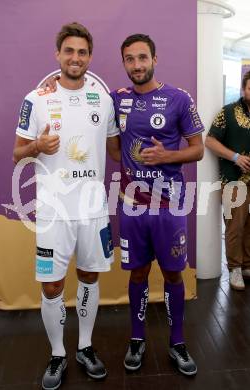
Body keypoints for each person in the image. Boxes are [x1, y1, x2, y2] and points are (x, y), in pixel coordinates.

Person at [13, 22, 120, 390]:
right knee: (52, 286)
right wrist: (36, 148)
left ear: (90, 57)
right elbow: (17, 153)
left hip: (93, 210)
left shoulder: (104, 99)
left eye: (83, 52)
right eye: (69, 51)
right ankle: (58, 353)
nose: (76, 58)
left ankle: (85, 347)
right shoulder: (36, 99)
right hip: (52, 213)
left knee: (90, 276)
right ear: (58, 54)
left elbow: (116, 149)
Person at [110, 34, 204, 376]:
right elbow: (114, 148)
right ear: (124, 63)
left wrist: (168, 155)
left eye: (142, 58)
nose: (136, 65)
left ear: (154, 58)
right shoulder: (117, 100)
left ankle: (177, 341)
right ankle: (137, 338)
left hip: (170, 206)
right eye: (130, 59)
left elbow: (198, 149)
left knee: (172, 273)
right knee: (137, 271)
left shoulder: (179, 98)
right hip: (132, 206)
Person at [205, 71, 250, 291]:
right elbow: (210, 141)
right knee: (235, 224)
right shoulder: (228, 112)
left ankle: (247, 265)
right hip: (233, 178)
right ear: (244, 89)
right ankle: (235, 269)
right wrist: (235, 157)